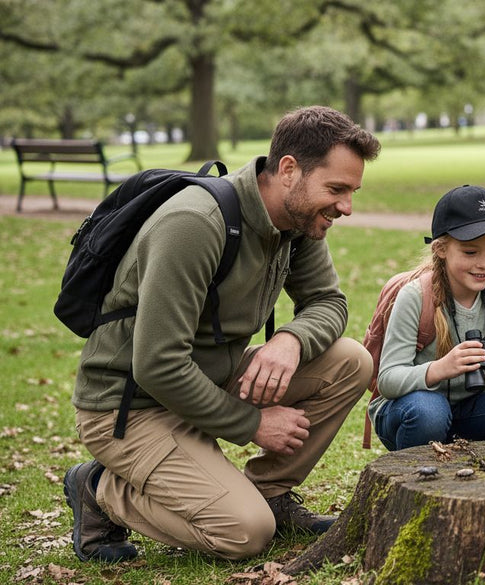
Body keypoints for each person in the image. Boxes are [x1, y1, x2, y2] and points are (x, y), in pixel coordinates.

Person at [63, 105, 381, 562]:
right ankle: (99, 489)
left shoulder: (298, 223)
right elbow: (157, 364)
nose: (346, 207)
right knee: (245, 533)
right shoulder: (195, 224)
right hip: (130, 406)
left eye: (352, 191)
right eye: (337, 189)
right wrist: (253, 424)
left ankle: (269, 492)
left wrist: (290, 340)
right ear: (288, 170)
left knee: (350, 360)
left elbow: (329, 302)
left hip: (210, 378)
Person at [370, 185, 485, 450]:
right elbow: (388, 379)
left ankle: (475, 470)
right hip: (410, 411)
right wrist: (441, 368)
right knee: (431, 411)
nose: (484, 264)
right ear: (441, 249)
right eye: (470, 252)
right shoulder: (416, 296)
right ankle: (416, 475)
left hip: (468, 409)